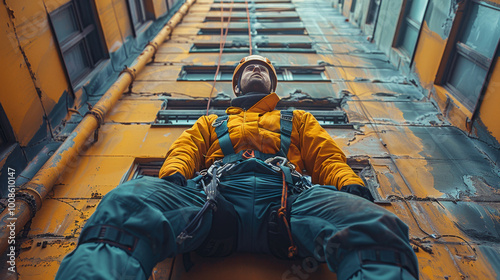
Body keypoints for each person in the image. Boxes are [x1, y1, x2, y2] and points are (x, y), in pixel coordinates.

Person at [55, 55, 419, 280]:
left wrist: (349, 186)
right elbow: (185, 150)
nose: (256, 69)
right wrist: (173, 180)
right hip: (216, 195)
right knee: (128, 205)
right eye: (250, 68)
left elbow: (326, 156)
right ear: (237, 83)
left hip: (289, 197)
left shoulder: (298, 118)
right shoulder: (210, 122)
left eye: (262, 68)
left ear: (272, 83)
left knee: (373, 222)